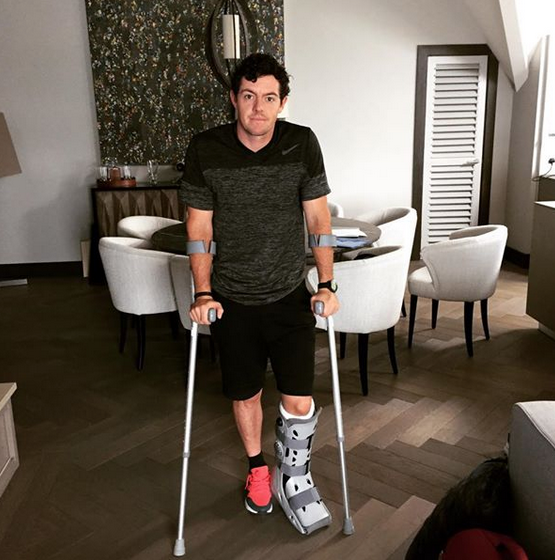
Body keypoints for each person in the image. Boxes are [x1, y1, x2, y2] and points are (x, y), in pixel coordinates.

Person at [180, 53, 339, 534]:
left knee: (299, 399)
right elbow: (199, 228)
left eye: (269, 98)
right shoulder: (206, 149)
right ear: (233, 98)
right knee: (246, 393)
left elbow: (318, 218)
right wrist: (203, 293)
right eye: (248, 96)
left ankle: (295, 474)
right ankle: (257, 468)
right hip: (232, 298)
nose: (258, 108)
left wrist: (326, 284)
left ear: (282, 103)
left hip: (289, 293)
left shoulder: (301, 143)